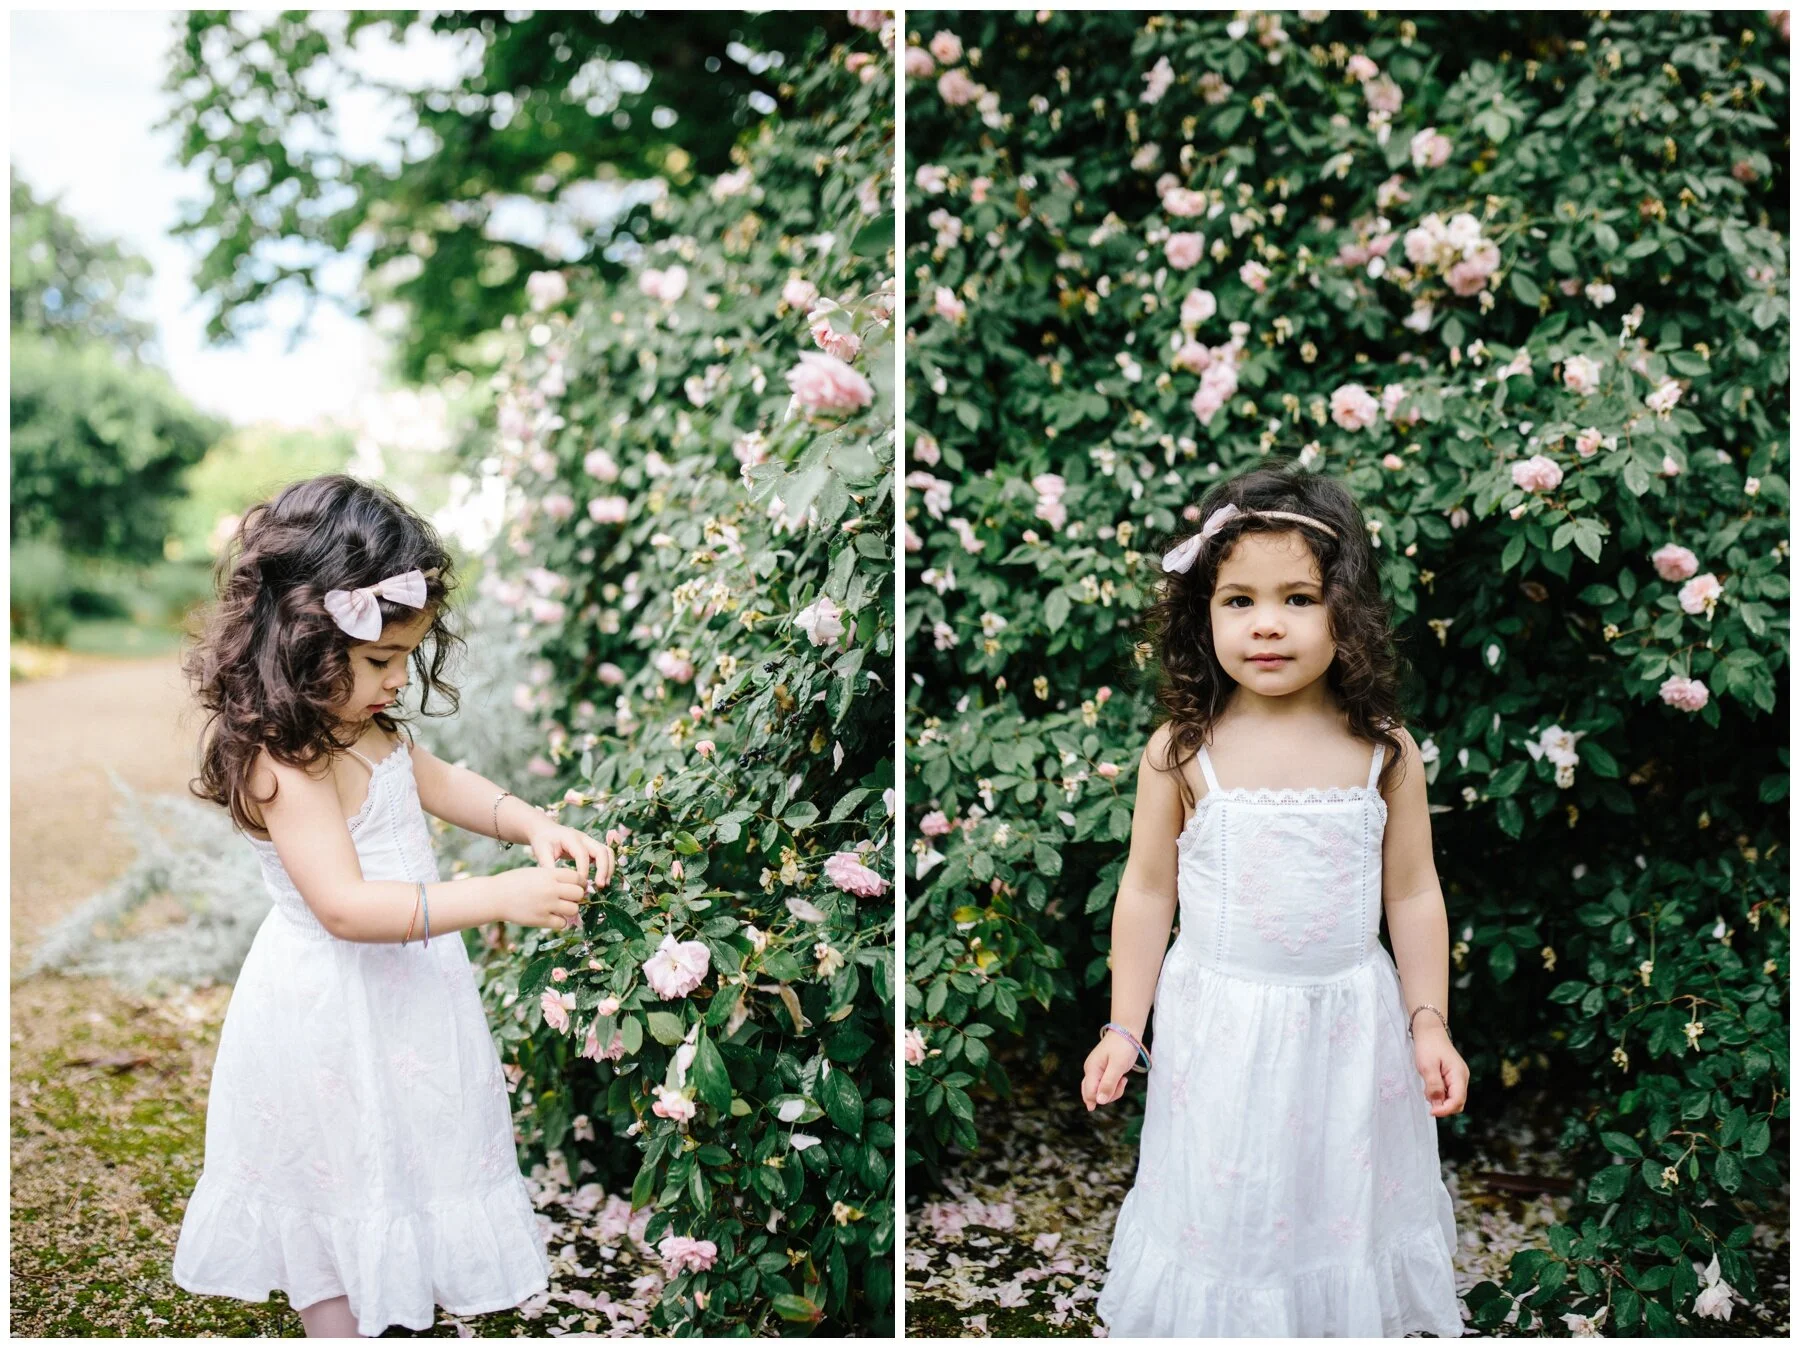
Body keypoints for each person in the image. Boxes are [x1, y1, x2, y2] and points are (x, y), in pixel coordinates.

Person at [171, 475, 612, 1337]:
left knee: (405, 1153)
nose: (397, 679)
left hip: (408, 1001)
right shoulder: (285, 761)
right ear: (302, 644)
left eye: (408, 656)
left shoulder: (366, 728)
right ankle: (338, 1322)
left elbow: (444, 785)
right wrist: (498, 898)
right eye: (380, 660)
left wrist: (529, 824)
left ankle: (398, 1298)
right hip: (330, 1010)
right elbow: (344, 906)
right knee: (335, 1174)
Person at [1084, 461, 1469, 1337]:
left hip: (1350, 1027)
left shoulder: (1383, 751)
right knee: (1233, 1199)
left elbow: (1412, 893)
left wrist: (1429, 1019)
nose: (1267, 625)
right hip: (1223, 1027)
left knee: (1337, 1193)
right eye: (1238, 601)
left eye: (1299, 598)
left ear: (1348, 611)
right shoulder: (1183, 752)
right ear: (1203, 614)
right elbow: (1146, 894)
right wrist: (1123, 1027)